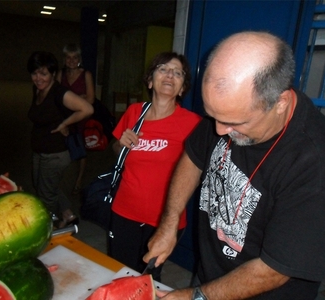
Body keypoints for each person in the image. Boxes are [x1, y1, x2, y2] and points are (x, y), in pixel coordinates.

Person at [144, 31, 325, 299]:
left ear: (281, 103)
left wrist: (196, 296)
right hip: (209, 278)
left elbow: (275, 269)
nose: (219, 130)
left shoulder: (319, 164)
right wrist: (169, 222)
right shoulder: (228, 110)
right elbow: (194, 157)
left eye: (235, 123)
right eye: (212, 116)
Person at [108, 52, 202, 281]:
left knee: (147, 278)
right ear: (150, 81)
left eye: (177, 72)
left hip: (164, 219)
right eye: (163, 69)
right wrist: (120, 144)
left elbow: (198, 171)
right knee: (119, 273)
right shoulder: (134, 113)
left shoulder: (193, 124)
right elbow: (115, 150)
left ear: (181, 88)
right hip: (124, 212)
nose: (170, 74)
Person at [27, 51, 94, 228]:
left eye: (44, 73)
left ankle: (47, 228)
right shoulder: (37, 90)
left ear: (53, 74)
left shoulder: (60, 93)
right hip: (40, 150)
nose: (38, 78)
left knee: (46, 195)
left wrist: (65, 123)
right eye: (34, 73)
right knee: (42, 185)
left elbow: (87, 108)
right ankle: (67, 213)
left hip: (55, 154)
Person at [56, 43, 95, 195]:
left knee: (80, 149)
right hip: (64, 115)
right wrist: (80, 98)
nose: (71, 60)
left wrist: (73, 100)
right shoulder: (61, 74)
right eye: (68, 57)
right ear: (64, 59)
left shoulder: (86, 75)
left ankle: (79, 179)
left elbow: (91, 100)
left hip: (81, 117)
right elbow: (56, 97)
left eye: (75, 57)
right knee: (64, 146)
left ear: (79, 59)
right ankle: (63, 177)